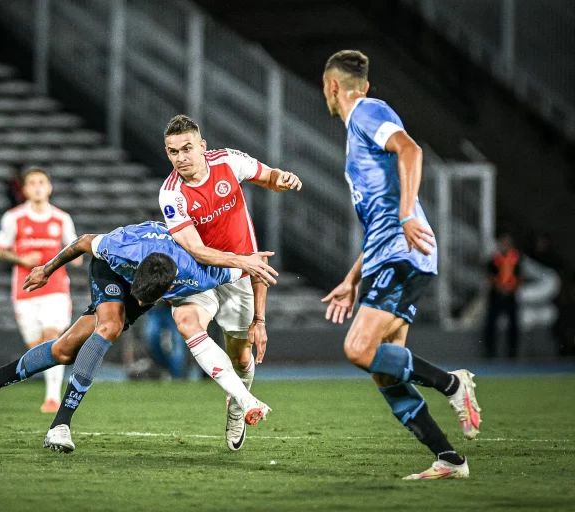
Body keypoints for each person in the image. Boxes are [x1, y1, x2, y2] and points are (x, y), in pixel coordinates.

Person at [0, 221, 274, 452]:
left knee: (64, 351)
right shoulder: (120, 248)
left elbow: (255, 266)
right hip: (111, 273)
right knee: (110, 326)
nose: (140, 305)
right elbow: (82, 242)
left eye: (147, 302)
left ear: (171, 291)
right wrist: (46, 270)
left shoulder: (201, 272)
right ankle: (60, 425)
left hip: (155, 275)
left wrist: (258, 319)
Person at [320, 50, 481, 480]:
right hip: (383, 254)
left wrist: (409, 213)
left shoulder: (367, 112)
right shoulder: (359, 129)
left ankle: (452, 383)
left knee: (359, 349)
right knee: (385, 370)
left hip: (401, 252)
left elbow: (411, 151)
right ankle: (449, 459)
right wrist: (352, 278)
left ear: (332, 86)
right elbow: (380, 214)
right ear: (364, 83)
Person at [158, 114, 302, 451]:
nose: (181, 158)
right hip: (201, 275)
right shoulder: (171, 195)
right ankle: (247, 401)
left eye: (187, 149)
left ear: (202, 147)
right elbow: (196, 250)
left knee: (241, 357)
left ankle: (235, 406)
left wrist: (284, 178)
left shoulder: (227, 161)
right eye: (172, 151)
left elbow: (268, 176)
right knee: (186, 320)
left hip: (239, 278)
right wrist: (244, 262)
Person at [0, 167, 81, 412]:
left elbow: (74, 249)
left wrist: (72, 257)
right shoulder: (13, 218)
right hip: (25, 291)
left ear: (49, 187)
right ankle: (50, 390)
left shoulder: (61, 219)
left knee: (52, 338)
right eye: (32, 183)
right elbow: (0, 249)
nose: (37, 187)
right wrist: (21, 259)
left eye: (42, 182)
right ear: (24, 189)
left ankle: (53, 398)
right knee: (36, 347)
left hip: (56, 288)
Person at [484, 232, 522, 359]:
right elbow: (490, 275)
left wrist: (512, 288)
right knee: (491, 323)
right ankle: (490, 352)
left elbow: (520, 276)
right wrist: (499, 287)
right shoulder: (495, 258)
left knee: (514, 324)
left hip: (511, 294)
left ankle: (513, 352)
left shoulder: (516, 258)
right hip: (497, 294)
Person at [142, 302, 186, 379]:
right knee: (151, 338)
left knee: (178, 344)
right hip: (155, 309)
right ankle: (166, 367)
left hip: (175, 307)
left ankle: (177, 377)